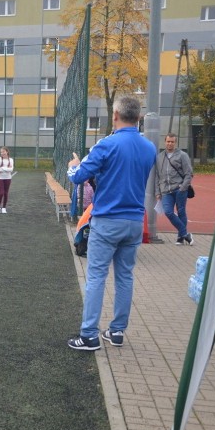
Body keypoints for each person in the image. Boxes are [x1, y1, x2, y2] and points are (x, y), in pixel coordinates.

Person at [66, 96, 156, 351]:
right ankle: (116, 332)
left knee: (96, 276)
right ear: (138, 117)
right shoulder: (149, 147)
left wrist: (73, 165)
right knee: (125, 276)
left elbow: (79, 176)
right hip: (134, 221)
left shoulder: (105, 145)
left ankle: (89, 335)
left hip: (107, 220)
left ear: (115, 115)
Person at [155, 132, 194, 245]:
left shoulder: (182, 155)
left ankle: (180, 238)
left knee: (181, 211)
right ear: (165, 142)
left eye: (172, 142)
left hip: (179, 189)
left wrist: (183, 187)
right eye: (168, 141)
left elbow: (189, 173)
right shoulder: (160, 157)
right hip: (166, 190)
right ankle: (185, 234)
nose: (170, 144)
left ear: (175, 143)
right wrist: (158, 191)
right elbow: (158, 175)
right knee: (168, 212)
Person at [0, 146, 14, 214]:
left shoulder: (10, 160)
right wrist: (6, 168)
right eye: (1, 152)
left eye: (3, 151)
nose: (2, 153)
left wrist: (3, 168)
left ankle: (4, 208)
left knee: (6, 193)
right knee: (1, 193)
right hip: (0, 178)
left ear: (7, 152)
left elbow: (11, 170)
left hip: (8, 178)